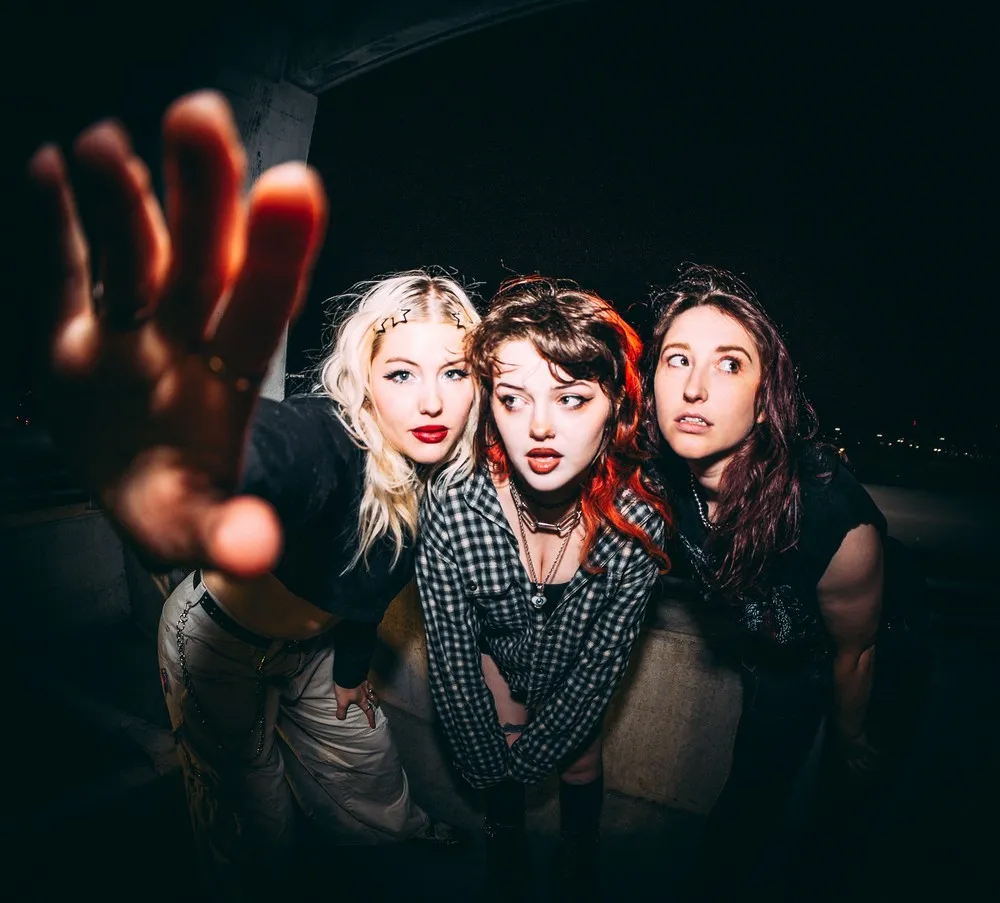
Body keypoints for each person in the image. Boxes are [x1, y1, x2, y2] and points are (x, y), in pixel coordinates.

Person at [25, 91, 479, 899]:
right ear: (365, 378)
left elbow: (372, 583)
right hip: (217, 644)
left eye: (454, 372)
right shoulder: (333, 437)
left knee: (370, 774)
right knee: (250, 818)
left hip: (317, 654)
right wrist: (196, 444)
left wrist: (351, 666)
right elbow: (275, 446)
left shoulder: (440, 472)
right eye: (402, 374)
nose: (432, 401)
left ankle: (403, 844)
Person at [645, 264, 931, 900]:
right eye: (677, 359)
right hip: (778, 649)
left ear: (763, 396)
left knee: (846, 812)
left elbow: (857, 650)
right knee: (750, 798)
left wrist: (851, 739)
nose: (693, 387)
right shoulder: (665, 479)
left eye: (728, 364)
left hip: (879, 647)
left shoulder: (827, 508)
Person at [415, 276, 672, 901]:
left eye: (572, 399)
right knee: (498, 759)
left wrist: (544, 750)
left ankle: (580, 852)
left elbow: (604, 660)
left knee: (580, 760)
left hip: (572, 663)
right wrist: (490, 759)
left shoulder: (638, 524)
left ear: (616, 406)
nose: (539, 427)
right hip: (496, 657)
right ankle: (504, 847)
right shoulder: (453, 505)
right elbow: (450, 653)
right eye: (513, 398)